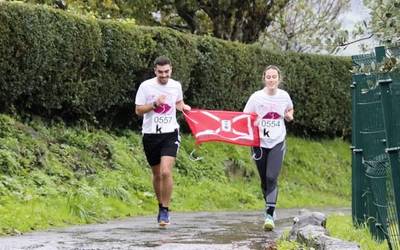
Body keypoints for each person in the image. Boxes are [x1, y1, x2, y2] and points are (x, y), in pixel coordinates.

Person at [135, 56, 191, 227]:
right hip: (151, 135)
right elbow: (138, 110)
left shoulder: (176, 85)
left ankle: (165, 210)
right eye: (160, 72)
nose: (164, 75)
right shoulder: (146, 86)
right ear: (155, 71)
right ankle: (160, 206)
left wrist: (185, 107)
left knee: (166, 172)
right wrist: (154, 104)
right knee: (157, 174)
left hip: (170, 134)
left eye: (167, 72)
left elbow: (178, 103)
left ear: (171, 70)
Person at [243, 65, 294, 231]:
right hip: (259, 143)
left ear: (279, 79)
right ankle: (269, 205)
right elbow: (245, 116)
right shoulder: (256, 97)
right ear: (264, 78)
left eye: (274, 77)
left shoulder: (284, 96)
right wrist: (254, 120)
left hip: (277, 141)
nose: (271, 80)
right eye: (268, 77)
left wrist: (289, 116)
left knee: (272, 177)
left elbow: (290, 109)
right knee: (264, 179)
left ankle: (270, 215)